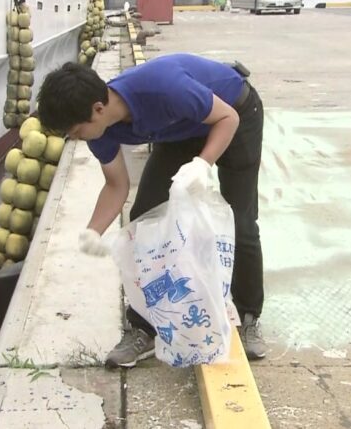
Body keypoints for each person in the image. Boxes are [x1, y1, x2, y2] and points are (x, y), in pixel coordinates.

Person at [36, 53, 267, 367]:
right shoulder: (101, 131)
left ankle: (249, 315)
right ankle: (143, 327)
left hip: (234, 113)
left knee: (240, 218)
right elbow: (116, 185)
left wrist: (201, 164)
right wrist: (93, 231)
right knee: (145, 219)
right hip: (180, 129)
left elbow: (228, 118)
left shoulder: (163, 88)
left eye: (75, 131)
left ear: (98, 109)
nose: (74, 139)